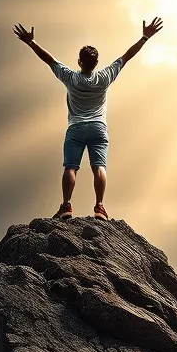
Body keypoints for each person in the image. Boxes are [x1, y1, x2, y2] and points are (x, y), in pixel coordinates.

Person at [13, 17, 164, 219]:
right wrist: (145, 37)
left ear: (79, 62)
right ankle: (99, 206)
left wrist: (31, 42)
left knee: (70, 167)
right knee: (99, 167)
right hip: (98, 128)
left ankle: (66, 205)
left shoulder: (71, 77)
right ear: (96, 63)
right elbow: (126, 57)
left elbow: (49, 59)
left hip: (76, 128)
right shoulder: (104, 77)